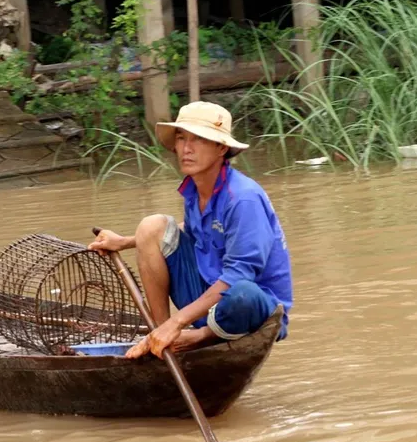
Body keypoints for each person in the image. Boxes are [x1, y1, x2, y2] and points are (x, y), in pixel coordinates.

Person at [88, 101, 293, 360]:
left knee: (243, 292)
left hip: (249, 307)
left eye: (198, 140)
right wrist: (127, 241)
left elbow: (240, 273)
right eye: (182, 138)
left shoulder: (243, 198)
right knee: (151, 226)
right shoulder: (195, 189)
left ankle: (197, 336)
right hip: (209, 289)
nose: (186, 149)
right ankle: (160, 338)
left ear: (221, 147)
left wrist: (179, 322)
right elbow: (197, 232)